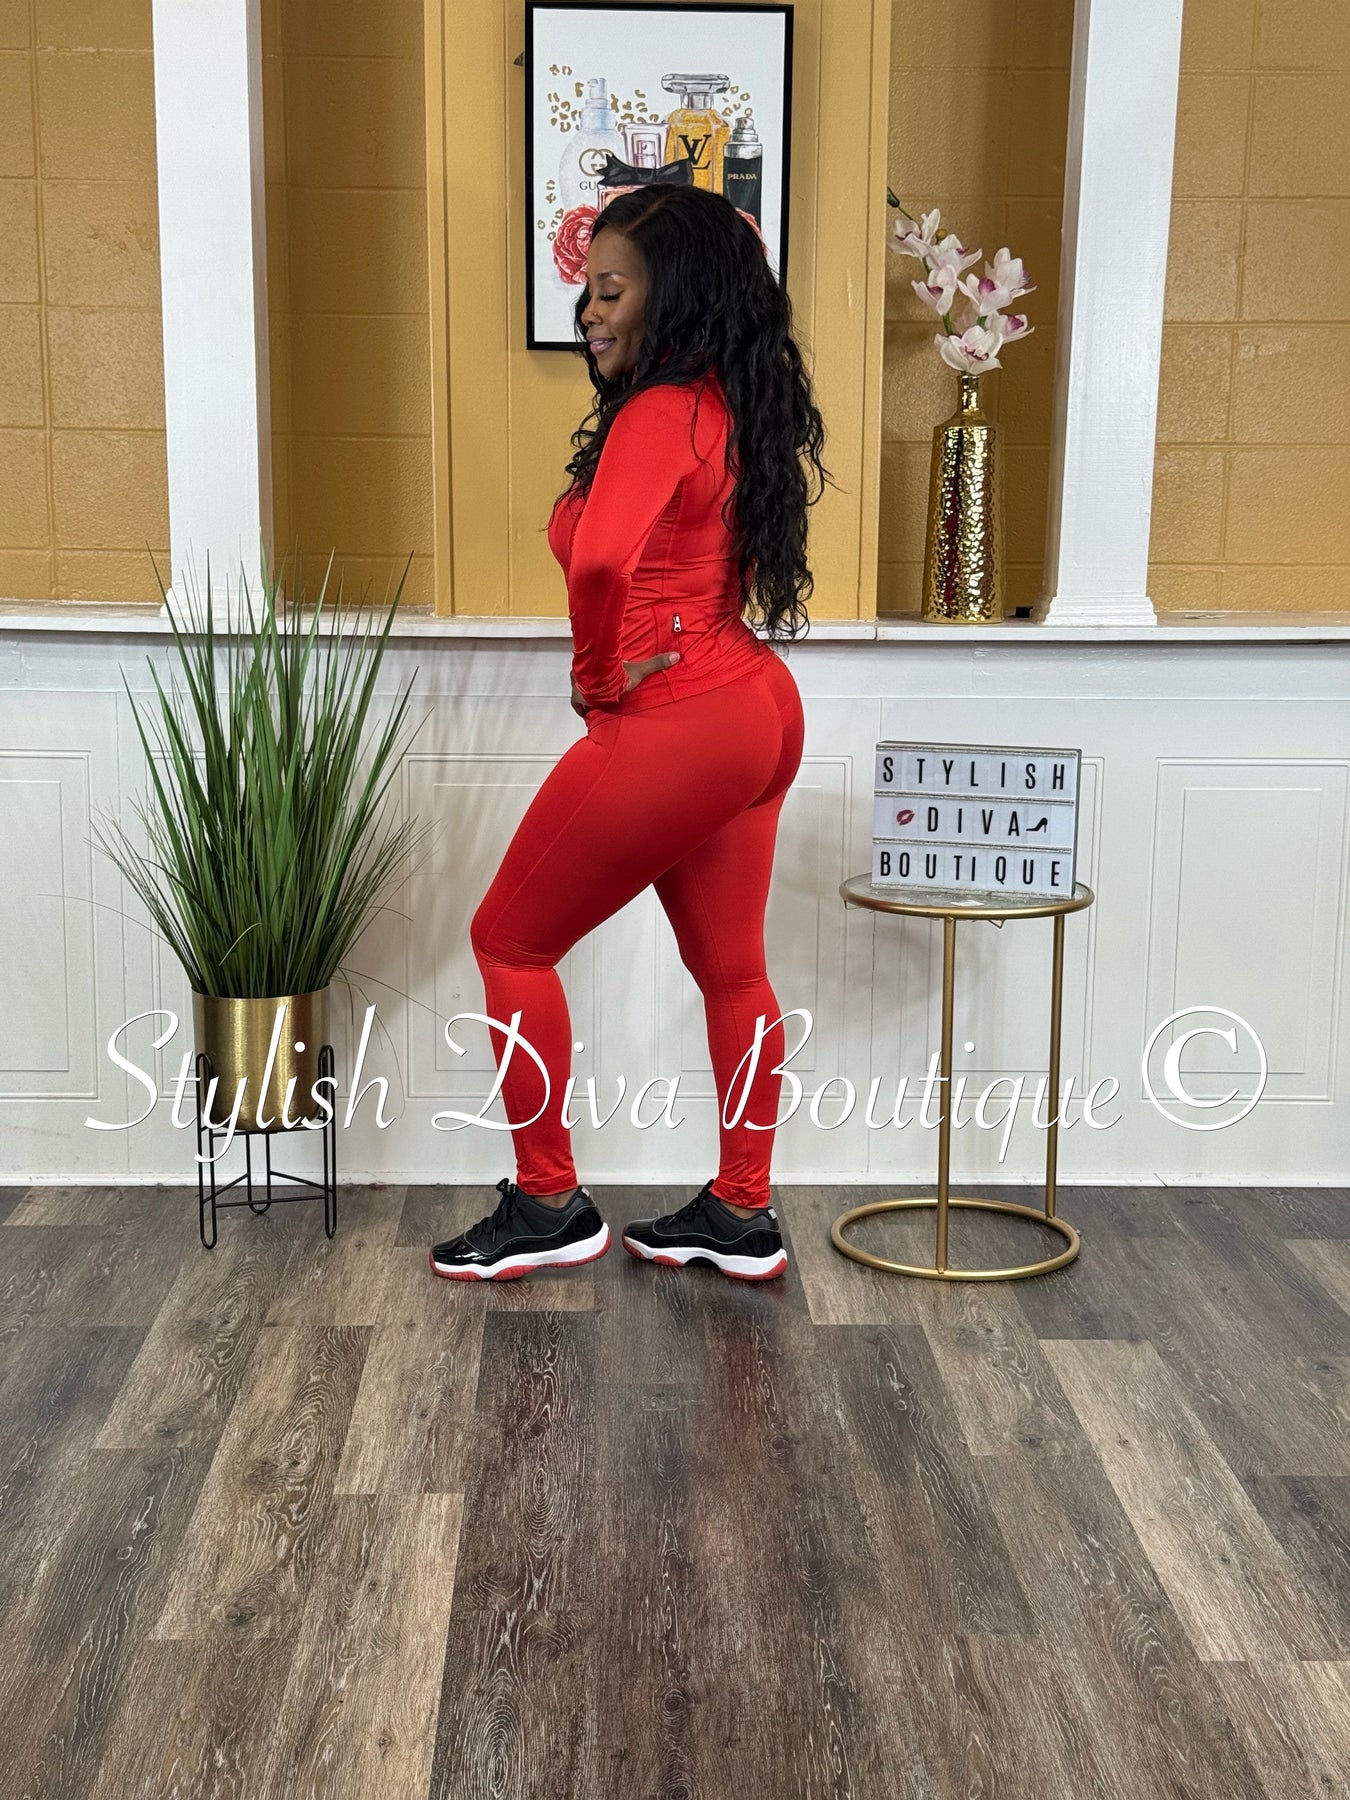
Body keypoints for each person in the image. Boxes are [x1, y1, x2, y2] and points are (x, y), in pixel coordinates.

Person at [430, 182, 830, 1285]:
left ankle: (549, 1202)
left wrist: (597, 672)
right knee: (735, 974)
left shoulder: (661, 413)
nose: (591, 310)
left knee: (509, 943)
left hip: (679, 720)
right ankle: (742, 1212)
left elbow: (604, 559)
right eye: (588, 290)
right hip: (755, 708)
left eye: (612, 289)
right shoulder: (729, 404)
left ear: (677, 293)